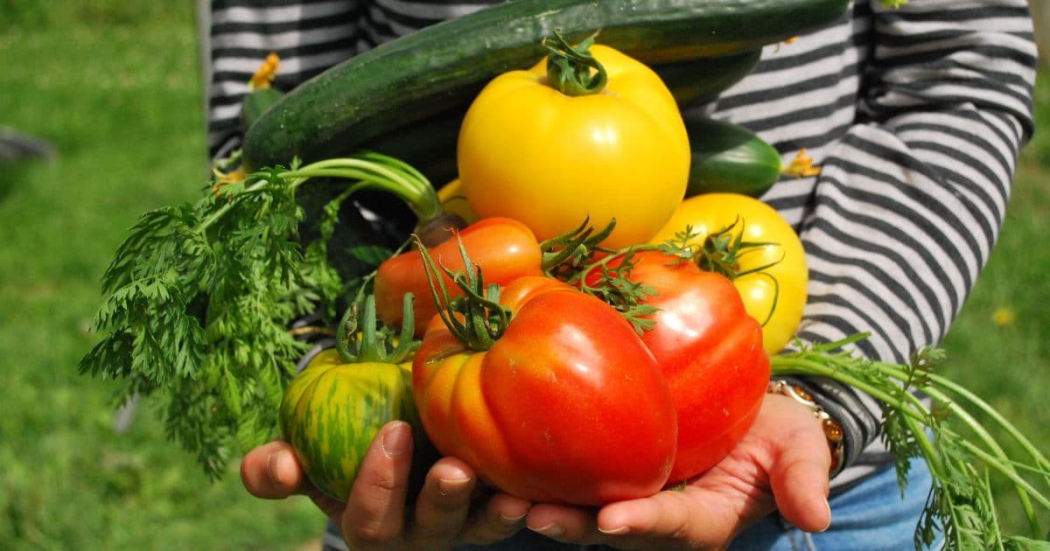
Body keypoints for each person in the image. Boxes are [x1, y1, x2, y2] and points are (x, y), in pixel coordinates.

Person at [202, 0, 1038, 548]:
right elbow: (274, 142)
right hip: (441, 458)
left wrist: (821, 396)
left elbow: (957, 79)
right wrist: (337, 383)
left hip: (815, 481)